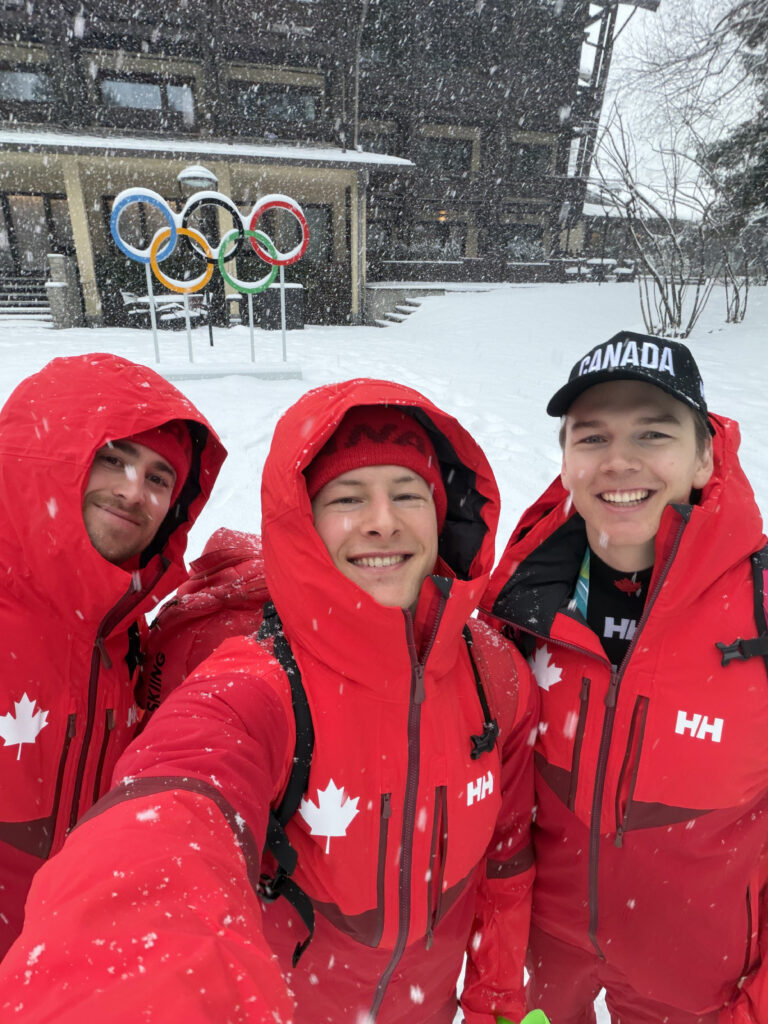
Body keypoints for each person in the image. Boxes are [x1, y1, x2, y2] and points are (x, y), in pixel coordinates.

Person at [0, 378, 538, 1024]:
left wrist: (498, 1003)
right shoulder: (253, 685)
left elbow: (504, 866)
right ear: (302, 525)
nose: (382, 521)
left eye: (407, 494)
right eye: (346, 497)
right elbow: (166, 833)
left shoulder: (494, 673)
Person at [481, 331, 768, 1023]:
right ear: (566, 462)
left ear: (705, 456)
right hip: (545, 973)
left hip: (702, 988)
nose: (618, 461)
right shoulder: (517, 606)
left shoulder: (761, 612)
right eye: (591, 438)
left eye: (652, 433)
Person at [0, 352, 225, 960]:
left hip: (75, 975)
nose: (133, 492)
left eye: (158, 478)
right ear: (48, 461)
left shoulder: (125, 644)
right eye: (113, 459)